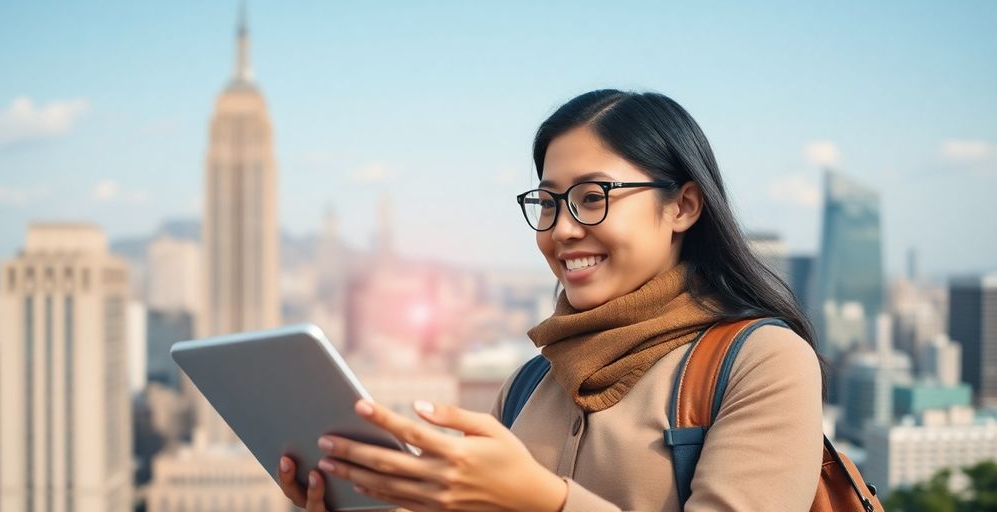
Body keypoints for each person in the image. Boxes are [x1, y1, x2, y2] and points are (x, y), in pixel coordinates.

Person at [276, 89, 825, 511]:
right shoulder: (527, 386)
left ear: (681, 206)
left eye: (592, 197)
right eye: (547, 202)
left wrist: (544, 500)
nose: (561, 229)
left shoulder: (762, 363)